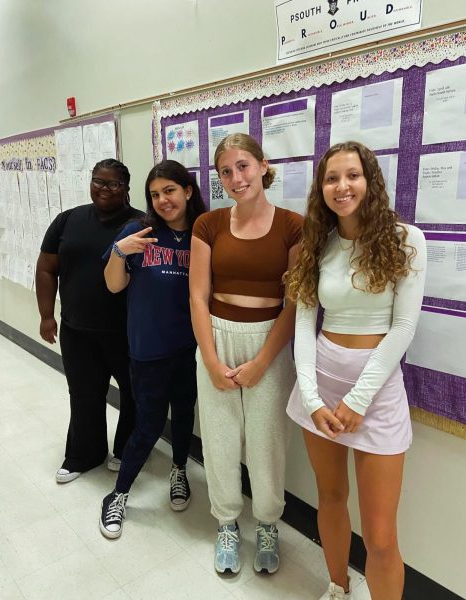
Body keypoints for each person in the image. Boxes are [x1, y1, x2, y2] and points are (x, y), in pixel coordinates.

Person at [286, 141, 426, 600]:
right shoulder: (317, 245)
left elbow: (403, 328)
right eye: (331, 178)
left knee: (382, 535)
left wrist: (358, 400)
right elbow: (304, 325)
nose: (341, 186)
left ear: (371, 181)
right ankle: (338, 586)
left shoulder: (406, 240)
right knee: (330, 499)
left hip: (377, 393)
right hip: (321, 385)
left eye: (352, 175)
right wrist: (311, 399)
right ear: (320, 188)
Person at [190, 133, 302, 575]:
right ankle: (227, 523)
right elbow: (198, 296)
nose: (236, 178)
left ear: (262, 166)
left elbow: (295, 301)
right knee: (218, 438)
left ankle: (268, 523)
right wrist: (211, 359)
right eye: (225, 171)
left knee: (266, 440)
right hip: (217, 337)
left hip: (269, 341)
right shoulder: (208, 225)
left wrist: (262, 361)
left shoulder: (293, 225)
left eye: (243, 166)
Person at [99, 160, 206, 539]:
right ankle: (118, 495)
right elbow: (114, 286)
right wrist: (118, 251)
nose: (163, 200)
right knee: (146, 425)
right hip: (147, 350)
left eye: (170, 191)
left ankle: (179, 471)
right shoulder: (138, 231)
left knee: (183, 416)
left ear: (188, 191)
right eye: (155, 194)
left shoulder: (202, 233)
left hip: (191, 351)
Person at [36, 159, 143, 483]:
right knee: (84, 394)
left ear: (126, 188)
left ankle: (127, 451)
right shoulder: (68, 220)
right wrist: (45, 315)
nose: (104, 189)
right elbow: (45, 268)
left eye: (113, 184)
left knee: (134, 394)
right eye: (98, 181)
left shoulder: (141, 223)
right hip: (76, 330)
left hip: (127, 333)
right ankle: (84, 455)